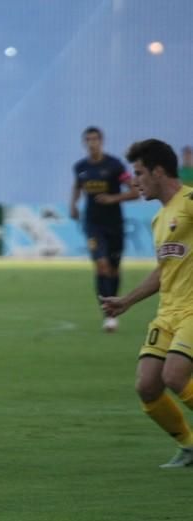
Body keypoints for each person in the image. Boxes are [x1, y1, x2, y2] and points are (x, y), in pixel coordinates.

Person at [100, 139, 193, 468]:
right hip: (168, 313)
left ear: (158, 171)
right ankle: (189, 445)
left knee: (175, 375)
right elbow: (162, 271)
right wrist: (126, 301)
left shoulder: (189, 201)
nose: (134, 180)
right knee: (147, 385)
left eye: (138, 173)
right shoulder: (159, 219)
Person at [69, 126, 140, 332]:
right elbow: (77, 186)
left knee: (114, 269)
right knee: (101, 266)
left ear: (102, 141)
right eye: (88, 140)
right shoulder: (80, 167)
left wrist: (113, 198)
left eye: (95, 139)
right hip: (92, 224)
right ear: (84, 143)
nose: (92, 143)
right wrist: (73, 204)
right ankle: (108, 314)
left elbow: (135, 192)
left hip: (114, 224)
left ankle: (114, 305)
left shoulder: (115, 165)